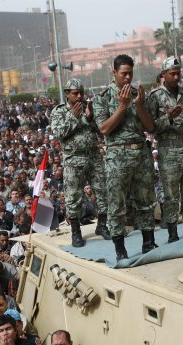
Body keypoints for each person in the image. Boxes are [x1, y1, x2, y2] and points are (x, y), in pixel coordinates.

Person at [93, 54, 156, 260]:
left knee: (145, 200)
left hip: (140, 153)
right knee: (117, 205)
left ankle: (149, 242)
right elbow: (104, 129)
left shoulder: (139, 94)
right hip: (117, 156)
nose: (128, 77)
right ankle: (120, 249)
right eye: (124, 74)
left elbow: (150, 126)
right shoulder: (102, 98)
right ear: (114, 72)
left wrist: (138, 105)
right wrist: (122, 105)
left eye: (130, 73)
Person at [51, 78, 111, 247]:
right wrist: (74, 117)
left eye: (81, 93)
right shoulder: (59, 111)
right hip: (73, 158)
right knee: (73, 196)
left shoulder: (88, 107)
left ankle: (102, 225)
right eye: (75, 93)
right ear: (67, 94)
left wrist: (91, 118)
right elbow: (58, 133)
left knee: (102, 190)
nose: (79, 96)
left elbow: (100, 130)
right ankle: (76, 232)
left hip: (93, 155)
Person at [147, 56, 183, 241]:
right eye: (173, 74)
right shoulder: (155, 97)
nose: (177, 77)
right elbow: (150, 127)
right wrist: (167, 118)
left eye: (178, 73)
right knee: (171, 196)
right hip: (168, 151)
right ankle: (173, 234)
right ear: (164, 74)